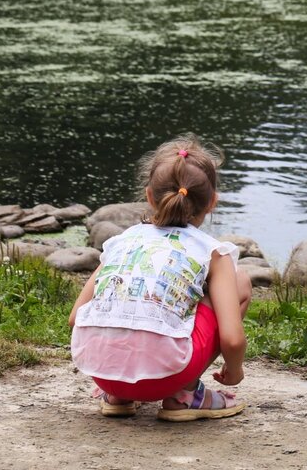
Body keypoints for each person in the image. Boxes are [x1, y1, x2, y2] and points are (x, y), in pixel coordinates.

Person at [69, 135, 251, 421]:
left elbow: (75, 317)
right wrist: (236, 371)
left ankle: (119, 397)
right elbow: (233, 339)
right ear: (212, 203)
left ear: (150, 196)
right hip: (165, 376)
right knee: (239, 284)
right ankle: (185, 395)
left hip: (102, 372)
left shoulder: (123, 241)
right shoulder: (212, 252)